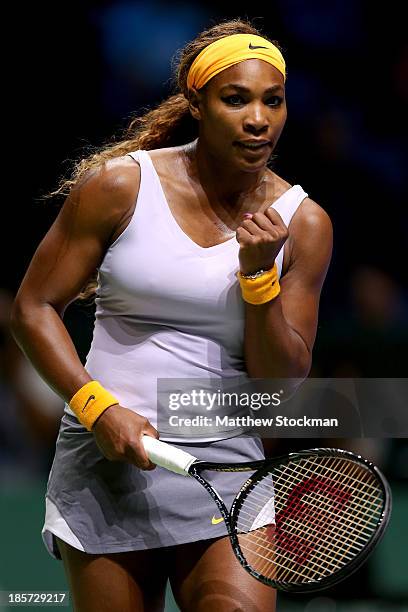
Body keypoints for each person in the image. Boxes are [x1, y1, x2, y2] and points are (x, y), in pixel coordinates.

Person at [10, 18, 332, 612]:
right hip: (109, 462)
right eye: (235, 100)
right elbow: (34, 308)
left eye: (273, 100)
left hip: (227, 465)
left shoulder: (303, 223)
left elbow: (279, 384)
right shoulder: (119, 187)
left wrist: (259, 278)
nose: (258, 119)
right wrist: (98, 409)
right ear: (197, 105)